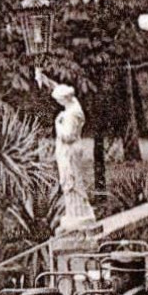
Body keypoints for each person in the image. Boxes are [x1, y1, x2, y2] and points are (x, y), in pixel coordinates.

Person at [35, 69, 97, 234]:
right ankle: (78, 211)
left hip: (69, 150)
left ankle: (77, 213)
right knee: (72, 179)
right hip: (72, 149)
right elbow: (57, 88)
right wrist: (44, 79)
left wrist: (57, 123)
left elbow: (67, 136)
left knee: (70, 180)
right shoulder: (74, 103)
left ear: (64, 100)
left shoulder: (70, 115)